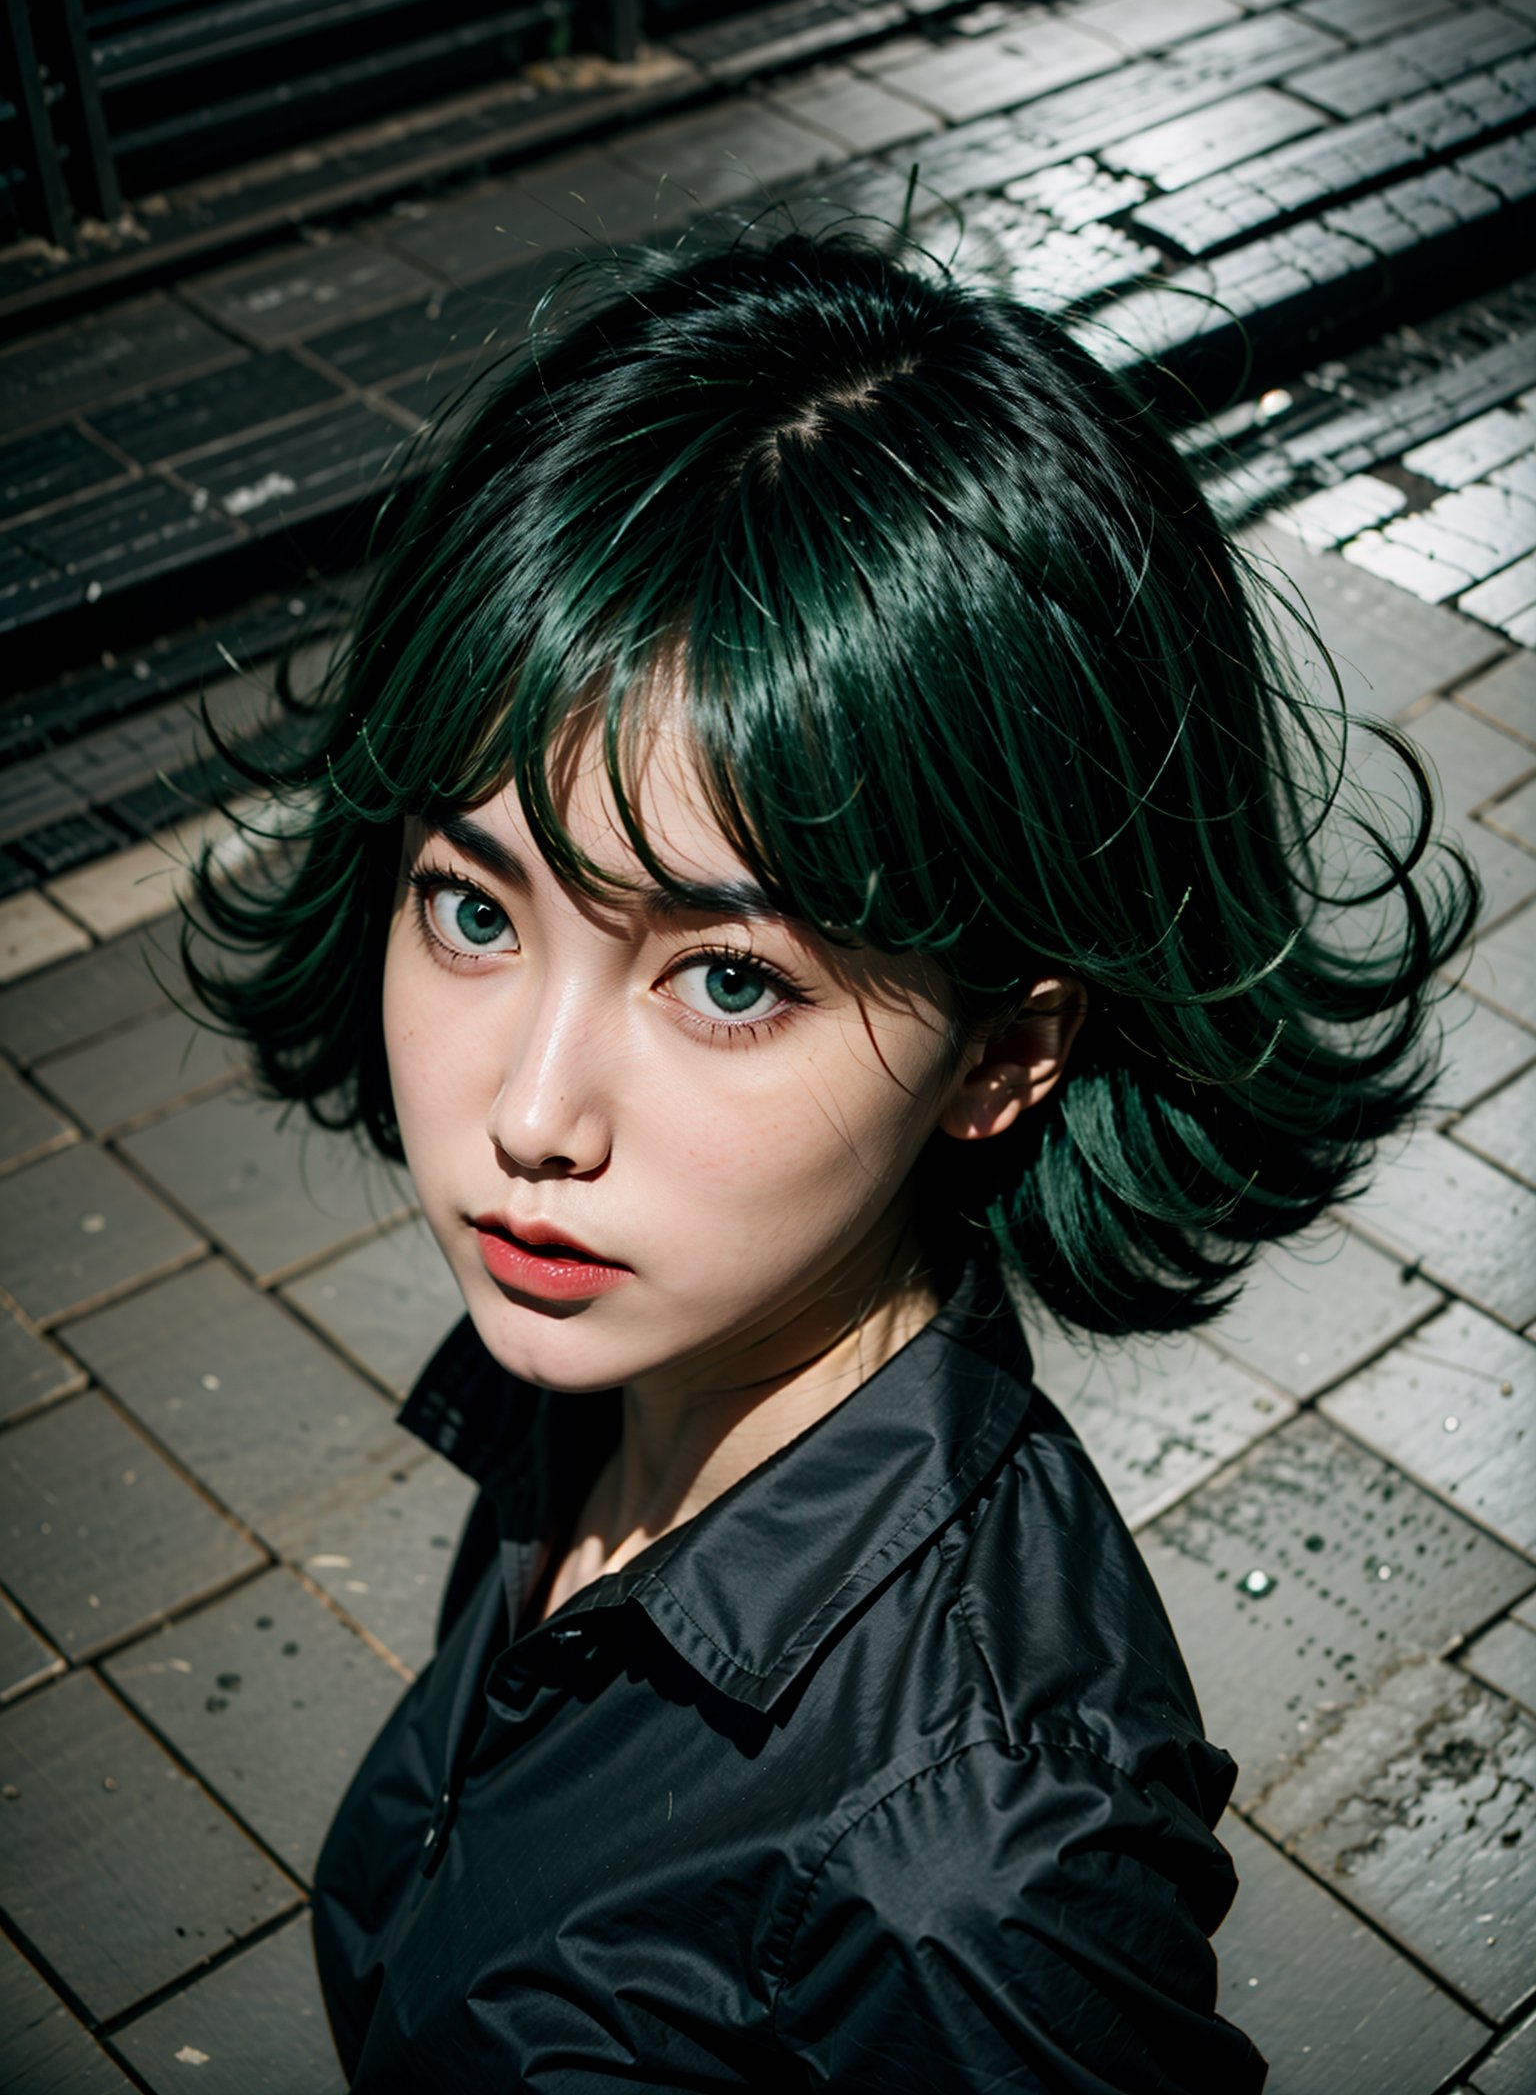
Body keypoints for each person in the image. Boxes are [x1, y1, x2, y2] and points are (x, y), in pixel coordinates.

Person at [185, 228, 1473, 2092]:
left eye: (724, 978)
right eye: (475, 911)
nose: (532, 1115)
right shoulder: (623, 1355)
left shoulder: (971, 1875)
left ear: (1009, 1050)